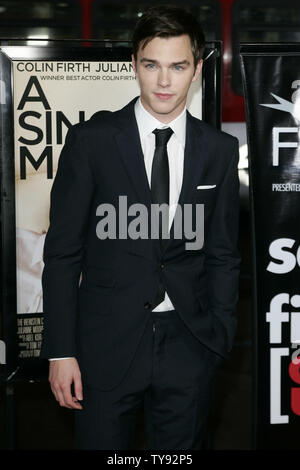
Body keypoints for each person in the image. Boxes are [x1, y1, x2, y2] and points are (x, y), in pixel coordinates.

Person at [40, 4, 240, 450]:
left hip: (191, 344)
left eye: (178, 66)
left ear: (197, 69)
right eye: (152, 65)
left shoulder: (220, 151)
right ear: (134, 64)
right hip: (103, 345)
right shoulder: (91, 142)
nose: (164, 81)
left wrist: (219, 336)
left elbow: (224, 252)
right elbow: (62, 251)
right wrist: (60, 350)